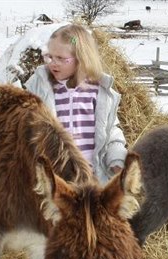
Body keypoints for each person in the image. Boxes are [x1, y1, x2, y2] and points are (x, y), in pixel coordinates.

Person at [24, 24, 127, 184]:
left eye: (61, 59)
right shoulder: (41, 89)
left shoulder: (98, 92)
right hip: (55, 181)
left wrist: (117, 159)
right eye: (50, 56)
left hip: (91, 179)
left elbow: (111, 131)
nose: (53, 63)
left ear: (81, 59)